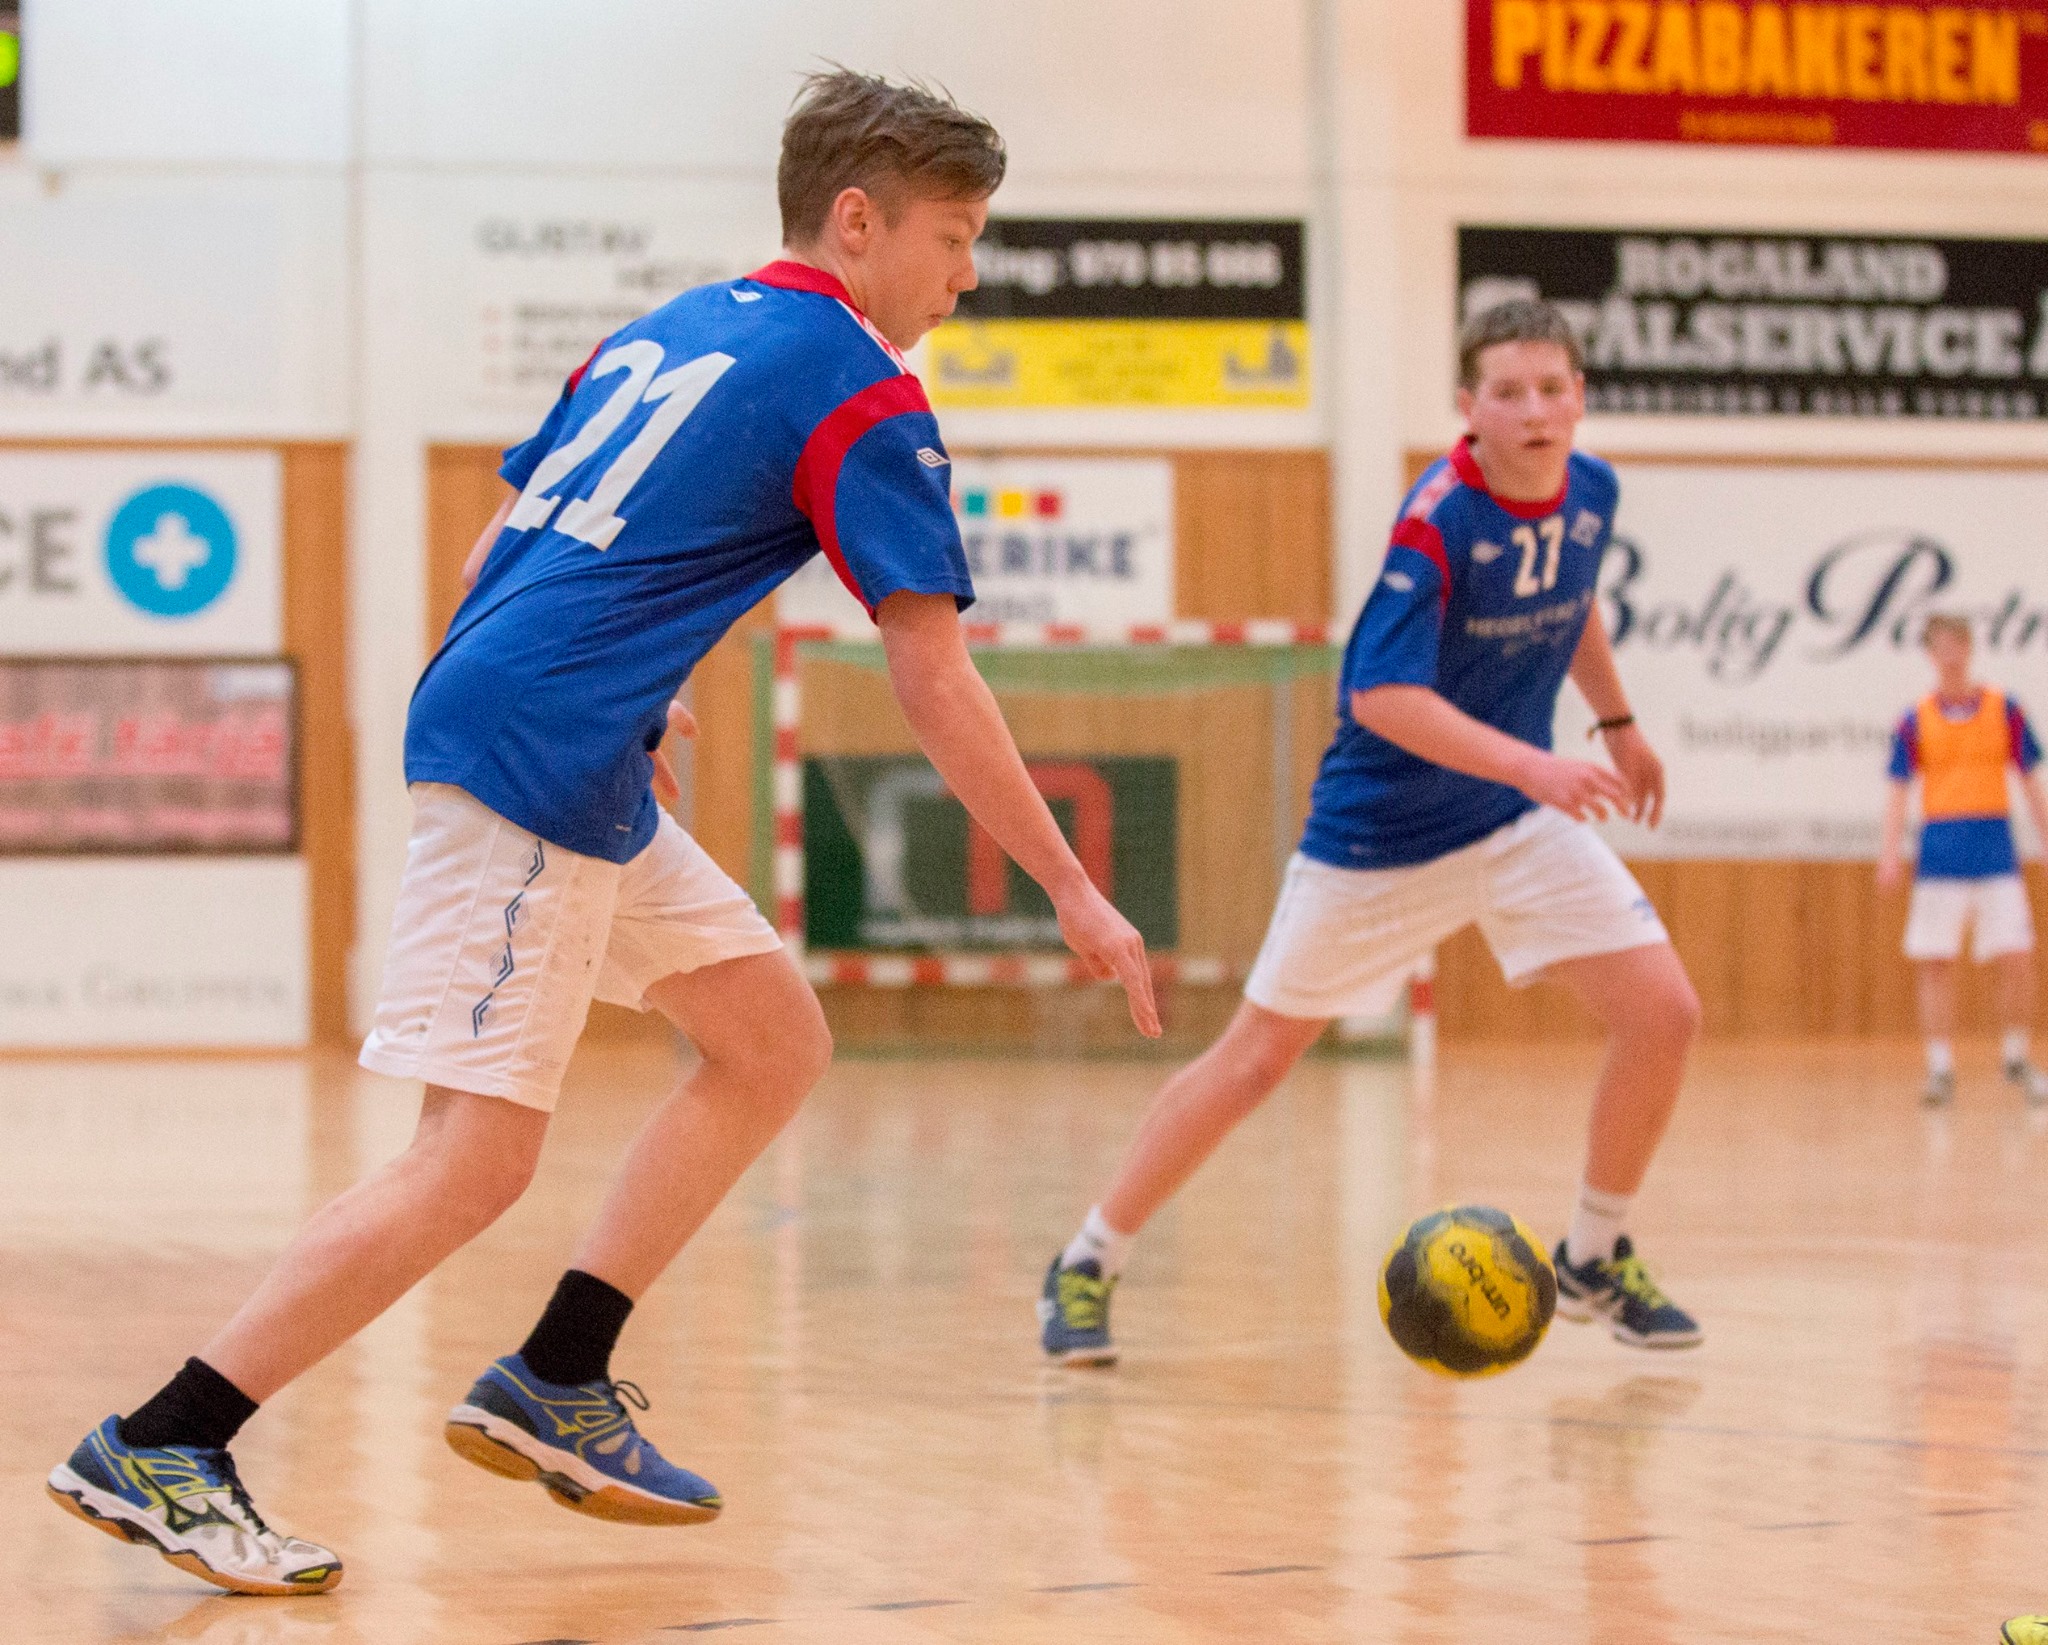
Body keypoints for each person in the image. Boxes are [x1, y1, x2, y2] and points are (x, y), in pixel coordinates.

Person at [47, 70, 1159, 1597]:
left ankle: (559, 1376)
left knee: (769, 1040)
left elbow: (497, 549)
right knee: (471, 1161)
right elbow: (932, 670)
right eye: (956, 237)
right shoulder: (860, 385)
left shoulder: (672, 328)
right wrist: (1073, 886)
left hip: (549, 731)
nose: (966, 276)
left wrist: (628, 683)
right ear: (858, 220)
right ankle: (168, 1438)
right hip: (542, 758)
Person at [1039, 298, 1704, 1369]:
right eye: (1508, 392)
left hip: (1511, 821)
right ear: (1467, 407)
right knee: (1255, 1062)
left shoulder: (1590, 491)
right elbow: (1381, 695)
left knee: (1663, 1012)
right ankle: (1086, 1258)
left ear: (1579, 396)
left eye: (1552, 388)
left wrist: (1617, 724)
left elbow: (1572, 597)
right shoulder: (1437, 520)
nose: (1535, 410)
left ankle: (1591, 1254)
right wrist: (1537, 762)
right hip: (1380, 840)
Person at [1877, 613, 2048, 1107]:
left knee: (2017, 955)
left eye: (1958, 645)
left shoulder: (2005, 710)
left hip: (1996, 851)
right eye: (1941, 647)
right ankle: (1940, 1067)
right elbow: (1898, 791)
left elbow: (2030, 781)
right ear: (1930, 655)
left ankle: (2016, 1056)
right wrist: (1890, 854)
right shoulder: (1915, 719)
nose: (1950, 655)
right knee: (1935, 961)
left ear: (1970, 648)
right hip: (1940, 854)